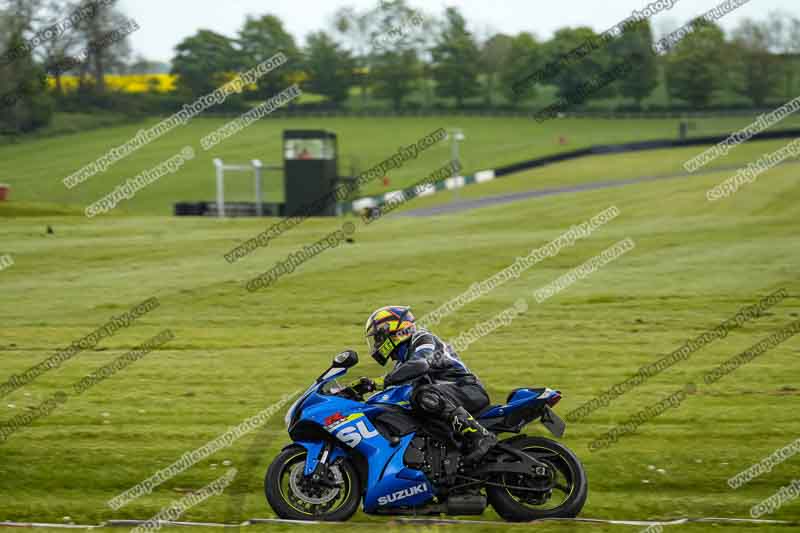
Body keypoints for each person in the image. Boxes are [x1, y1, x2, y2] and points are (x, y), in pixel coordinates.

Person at [361, 305, 497, 463]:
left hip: (466, 389)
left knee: (422, 394)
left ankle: (480, 436)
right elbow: (401, 378)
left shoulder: (422, 338)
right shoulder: (403, 363)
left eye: (378, 337)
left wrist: (382, 381)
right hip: (448, 395)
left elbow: (421, 364)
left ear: (393, 331)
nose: (377, 345)